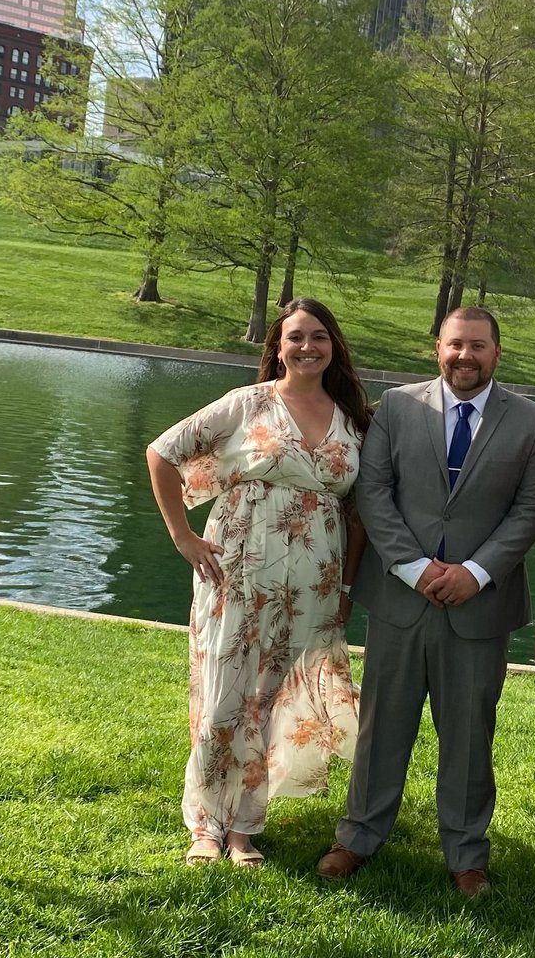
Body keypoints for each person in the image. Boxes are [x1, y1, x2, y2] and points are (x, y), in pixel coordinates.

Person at [316, 306, 535, 895]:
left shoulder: (531, 422)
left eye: (477, 346)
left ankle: (466, 855)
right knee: (383, 727)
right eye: (454, 345)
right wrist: (417, 568)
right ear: (438, 349)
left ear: (497, 352)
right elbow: (373, 491)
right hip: (402, 599)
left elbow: (533, 508)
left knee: (470, 736)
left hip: (479, 607)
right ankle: (358, 837)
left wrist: (476, 573)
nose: (464, 357)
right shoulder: (398, 408)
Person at [146, 297, 369, 867]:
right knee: (226, 697)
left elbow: (358, 513)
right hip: (237, 572)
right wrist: (183, 538)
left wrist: (344, 586)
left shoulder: (353, 419)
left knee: (272, 702)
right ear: (277, 347)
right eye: (295, 337)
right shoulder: (248, 404)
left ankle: (245, 827)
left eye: (319, 336)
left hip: (312, 585)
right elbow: (163, 453)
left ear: (333, 346)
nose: (308, 347)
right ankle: (206, 824)